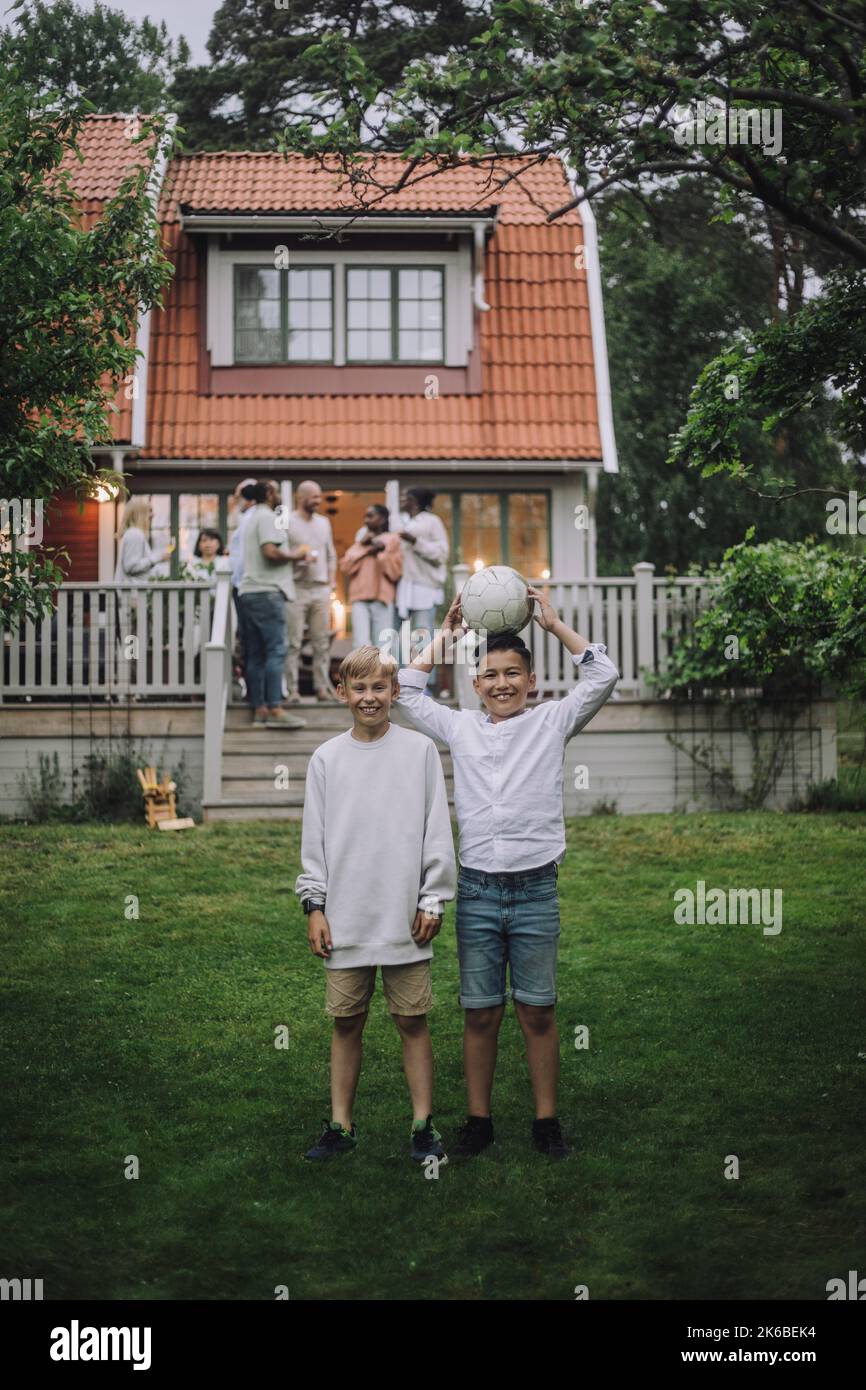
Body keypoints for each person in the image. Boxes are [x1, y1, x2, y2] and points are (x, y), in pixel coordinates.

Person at [396, 587, 619, 1159]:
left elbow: (603, 675)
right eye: (491, 674)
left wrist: (554, 625)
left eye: (512, 673)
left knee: (538, 1011)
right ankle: (480, 1121)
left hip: (535, 889)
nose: (501, 684)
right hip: (477, 891)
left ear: (531, 679)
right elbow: (406, 690)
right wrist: (445, 636)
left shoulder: (552, 722)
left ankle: (547, 1123)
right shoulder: (462, 728)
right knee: (481, 1012)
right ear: (475, 684)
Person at [295, 644, 456, 1163]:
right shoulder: (326, 759)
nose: (370, 697)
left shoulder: (419, 752)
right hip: (345, 917)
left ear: (393, 692)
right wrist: (314, 906)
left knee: (412, 1020)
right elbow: (314, 841)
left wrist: (433, 898)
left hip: (406, 918)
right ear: (343, 694)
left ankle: (423, 1125)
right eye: (359, 688)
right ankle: (340, 1126)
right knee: (346, 1022)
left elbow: (438, 831)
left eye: (379, 687)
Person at [237, 481, 308, 729]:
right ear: (268, 494)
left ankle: (260, 710)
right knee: (277, 650)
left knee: (256, 654)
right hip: (267, 592)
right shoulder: (267, 517)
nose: (279, 496)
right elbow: (270, 551)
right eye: (276, 491)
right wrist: (297, 554)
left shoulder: (252, 517)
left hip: (249, 592)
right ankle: (276, 708)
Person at [285, 480, 337, 702]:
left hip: (320, 589)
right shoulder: (286, 522)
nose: (318, 501)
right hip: (296, 588)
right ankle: (292, 689)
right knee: (293, 642)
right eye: (314, 497)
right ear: (301, 497)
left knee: (321, 641)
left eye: (319, 496)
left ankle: (322, 687)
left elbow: (331, 554)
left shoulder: (324, 522)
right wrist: (297, 557)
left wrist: (331, 582)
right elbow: (279, 553)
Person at [395, 487, 449, 688]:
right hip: (405, 588)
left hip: (425, 587)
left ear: (415, 501)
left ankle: (424, 685)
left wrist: (415, 541)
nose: (401, 499)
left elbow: (441, 553)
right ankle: (402, 682)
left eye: (405, 497)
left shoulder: (431, 521)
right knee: (400, 638)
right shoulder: (403, 521)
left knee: (423, 636)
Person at [339, 504, 402, 655]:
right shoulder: (360, 542)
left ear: (382, 519)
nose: (366, 520)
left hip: (383, 599)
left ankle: (380, 679)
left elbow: (395, 572)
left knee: (383, 646)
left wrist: (381, 553)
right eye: (365, 516)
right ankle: (362, 678)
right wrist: (364, 546)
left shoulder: (392, 540)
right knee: (360, 645)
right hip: (359, 598)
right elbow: (345, 566)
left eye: (370, 516)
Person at [227, 478, 258, 674]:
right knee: (244, 636)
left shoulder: (250, 519)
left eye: (239, 496)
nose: (237, 500)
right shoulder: (244, 519)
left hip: (245, 585)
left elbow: (246, 555)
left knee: (249, 637)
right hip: (239, 585)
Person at [113, 498, 173, 582]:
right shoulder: (134, 534)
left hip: (134, 593)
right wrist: (159, 558)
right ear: (139, 514)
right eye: (149, 511)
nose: (153, 515)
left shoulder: (134, 534)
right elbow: (131, 567)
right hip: (133, 594)